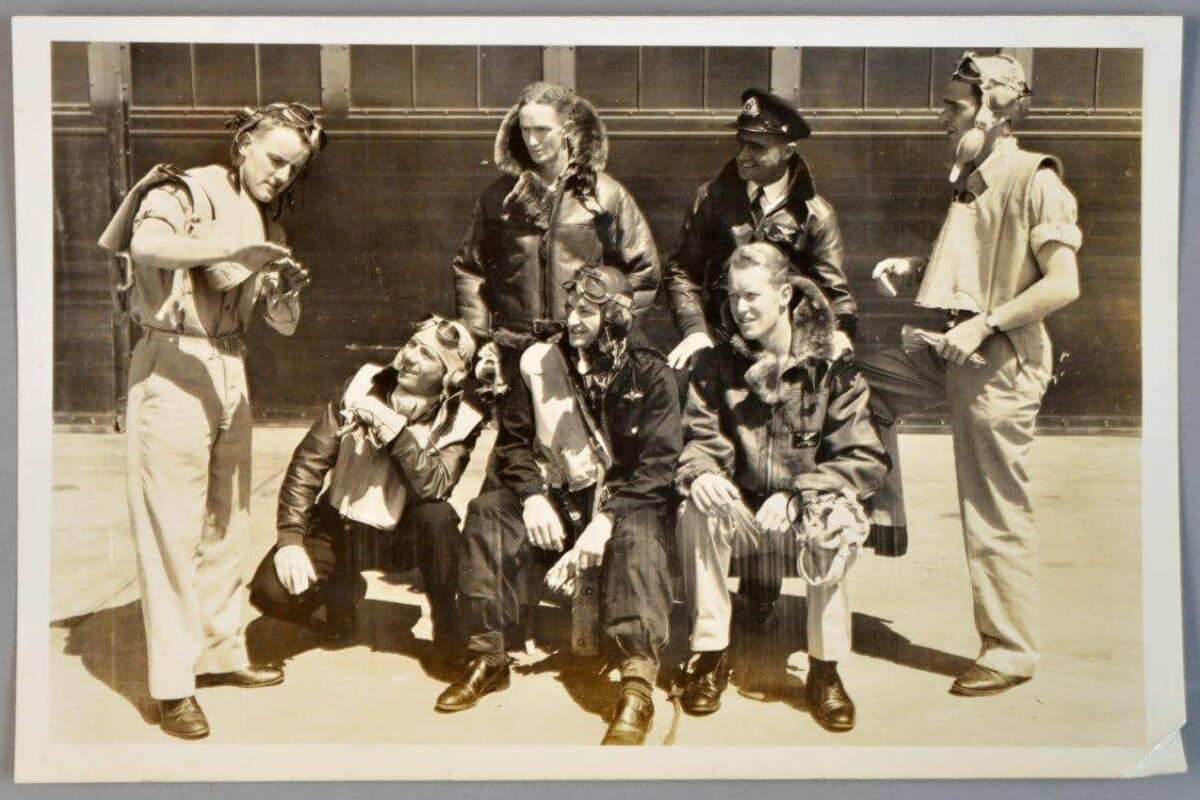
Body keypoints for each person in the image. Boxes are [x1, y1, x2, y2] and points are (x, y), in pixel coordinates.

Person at [97, 102, 327, 739]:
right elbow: (145, 243)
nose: (282, 176)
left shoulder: (265, 221)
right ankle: (172, 686)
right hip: (172, 363)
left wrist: (283, 293)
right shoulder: (186, 186)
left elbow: (284, 324)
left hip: (231, 368)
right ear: (246, 143)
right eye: (275, 159)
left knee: (229, 520)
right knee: (171, 528)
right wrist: (235, 248)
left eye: (294, 169)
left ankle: (223, 653)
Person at [857, 52, 1082, 697]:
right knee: (854, 380)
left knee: (993, 509)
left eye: (953, 107)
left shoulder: (1035, 177)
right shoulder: (973, 173)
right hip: (945, 345)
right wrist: (919, 265)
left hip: (997, 360)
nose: (941, 118)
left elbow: (1062, 284)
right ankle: (885, 508)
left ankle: (1010, 651)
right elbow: (980, 254)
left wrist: (983, 324)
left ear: (994, 108)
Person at [438, 266, 680, 746]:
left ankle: (636, 687)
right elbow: (513, 444)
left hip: (624, 505)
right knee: (489, 513)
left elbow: (658, 467)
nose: (573, 320)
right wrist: (530, 498)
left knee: (643, 541)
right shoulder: (538, 361)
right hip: (555, 501)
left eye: (587, 312)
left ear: (615, 315)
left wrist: (607, 520)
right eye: (571, 309)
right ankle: (487, 655)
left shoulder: (651, 373)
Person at [661, 88, 865, 621]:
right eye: (741, 143)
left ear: (787, 150)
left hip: (787, 354)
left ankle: (766, 579)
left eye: (756, 147)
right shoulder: (713, 197)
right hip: (723, 350)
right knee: (714, 443)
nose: (743, 156)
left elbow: (836, 294)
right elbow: (680, 271)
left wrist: (838, 335)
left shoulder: (815, 214)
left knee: (798, 442)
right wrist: (695, 329)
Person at [674, 243, 888, 732]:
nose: (739, 308)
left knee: (832, 517)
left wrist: (798, 494)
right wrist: (704, 472)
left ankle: (825, 670)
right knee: (698, 507)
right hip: (744, 518)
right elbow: (699, 437)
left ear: (785, 294)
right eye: (732, 297)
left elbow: (864, 458)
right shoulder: (717, 363)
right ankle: (709, 656)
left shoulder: (830, 365)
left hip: (798, 518)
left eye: (752, 296)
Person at [247, 316, 484, 667]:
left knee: (439, 517)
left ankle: (448, 629)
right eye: (411, 345)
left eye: (427, 355)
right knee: (269, 594)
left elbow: (435, 484)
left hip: (400, 539)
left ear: (449, 377)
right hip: (339, 528)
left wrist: (396, 433)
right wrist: (290, 538)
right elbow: (309, 462)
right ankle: (342, 595)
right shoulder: (362, 382)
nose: (409, 357)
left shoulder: (462, 419)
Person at [452, 81, 659, 380]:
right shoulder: (497, 198)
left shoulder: (605, 195)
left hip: (581, 354)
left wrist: (606, 328)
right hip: (512, 354)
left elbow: (643, 272)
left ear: (567, 127)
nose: (532, 141)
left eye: (542, 130)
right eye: (525, 130)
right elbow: (470, 269)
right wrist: (481, 338)